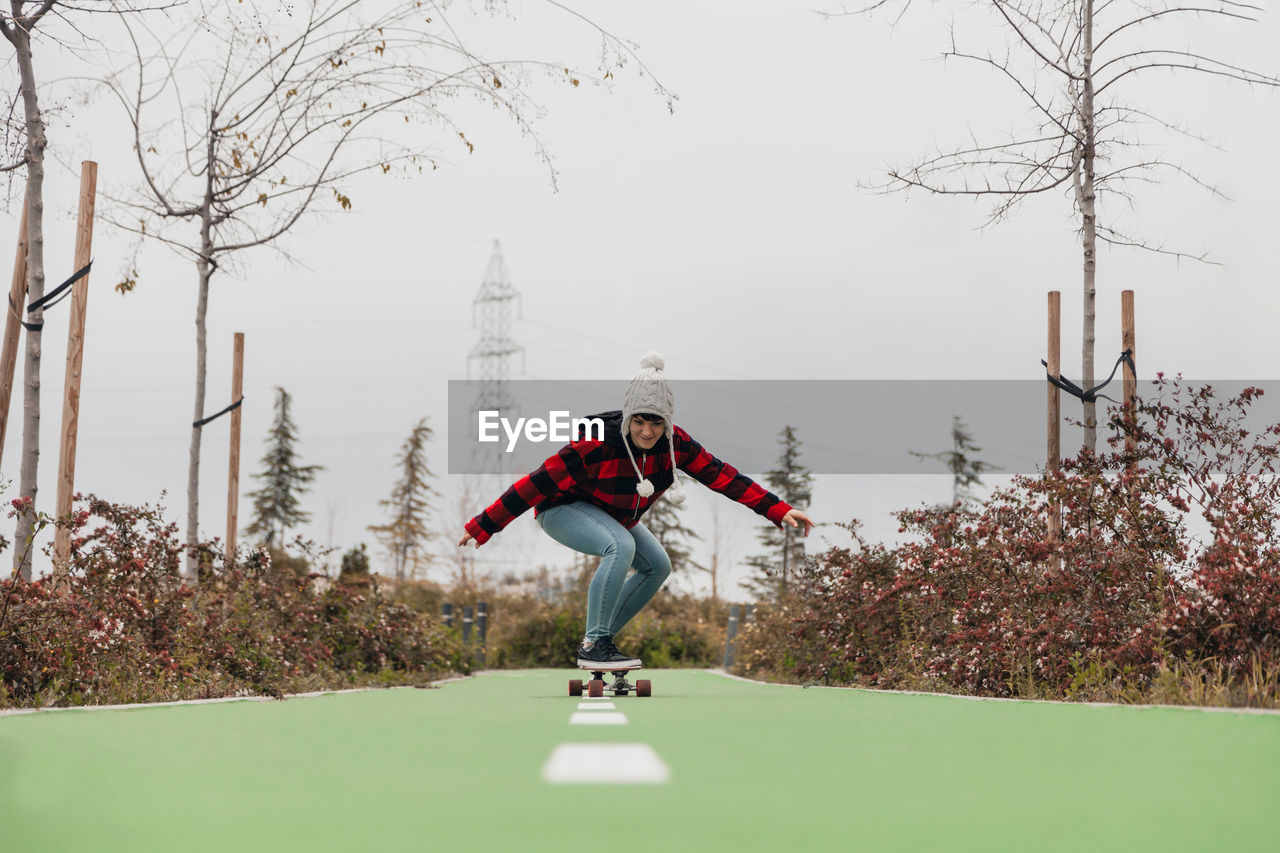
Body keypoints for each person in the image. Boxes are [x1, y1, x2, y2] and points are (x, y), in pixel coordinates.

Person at [458, 352, 815, 668]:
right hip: (561, 510)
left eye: (657, 423)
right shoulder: (595, 443)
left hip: (612, 518)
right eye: (640, 422)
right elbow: (535, 483)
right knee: (620, 546)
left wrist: (776, 508)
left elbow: (722, 475)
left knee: (658, 565)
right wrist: (485, 524)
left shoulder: (678, 446)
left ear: (667, 422)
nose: (648, 432)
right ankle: (595, 644)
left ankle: (596, 641)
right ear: (629, 417)